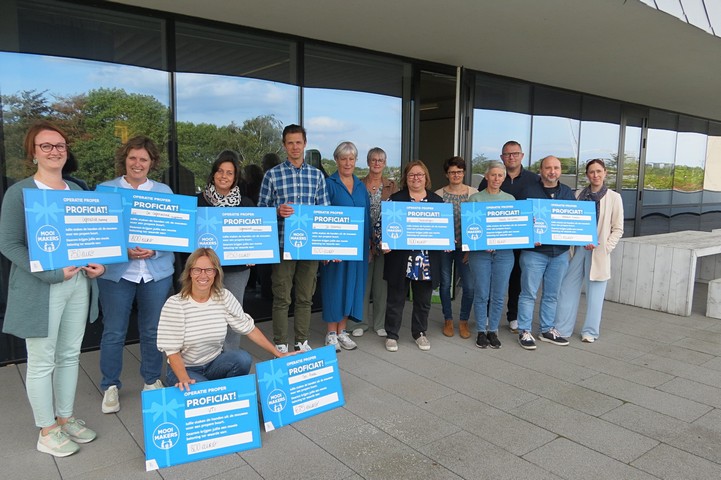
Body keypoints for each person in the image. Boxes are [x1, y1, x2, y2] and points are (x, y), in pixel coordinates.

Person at [0, 121, 104, 457]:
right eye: (46, 146)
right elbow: (9, 244)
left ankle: (66, 417)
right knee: (42, 360)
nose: (54, 151)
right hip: (42, 288)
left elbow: (93, 238)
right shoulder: (20, 193)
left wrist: (99, 264)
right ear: (33, 152)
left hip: (78, 285)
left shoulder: (77, 191)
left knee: (70, 355)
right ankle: (46, 429)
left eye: (59, 145)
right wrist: (50, 273)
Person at [97, 135, 175, 413]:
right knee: (114, 332)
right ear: (125, 159)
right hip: (117, 275)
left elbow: (174, 236)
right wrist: (123, 251)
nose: (137, 163)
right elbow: (98, 235)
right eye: (133, 158)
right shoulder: (106, 191)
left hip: (156, 274)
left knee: (154, 330)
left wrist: (154, 252)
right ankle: (110, 386)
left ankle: (151, 381)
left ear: (151, 162)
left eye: (143, 159)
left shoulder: (164, 192)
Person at [157, 248, 289, 390]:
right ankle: (213, 392)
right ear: (189, 272)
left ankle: (228, 395)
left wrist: (279, 353)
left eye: (209, 270)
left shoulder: (223, 297)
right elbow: (172, 351)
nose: (203, 275)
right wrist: (184, 378)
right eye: (197, 270)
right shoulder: (175, 304)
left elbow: (248, 328)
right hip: (184, 369)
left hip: (213, 364)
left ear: (216, 273)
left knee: (242, 359)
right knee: (205, 391)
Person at [258, 125, 330, 353]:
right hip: (282, 245)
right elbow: (261, 210)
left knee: (305, 296)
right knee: (281, 297)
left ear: (305, 144)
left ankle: (302, 341)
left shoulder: (316, 175)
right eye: (290, 143)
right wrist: (276, 211)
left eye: (298, 142)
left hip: (309, 247)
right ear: (284, 145)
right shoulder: (272, 175)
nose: (295, 147)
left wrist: (325, 247)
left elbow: (324, 213)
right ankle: (280, 342)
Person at [554, 159, 624, 342]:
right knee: (567, 288)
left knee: (595, 295)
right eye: (592, 172)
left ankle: (590, 332)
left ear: (605, 173)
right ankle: (562, 329)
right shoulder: (577, 195)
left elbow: (618, 229)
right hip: (578, 250)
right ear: (587, 175)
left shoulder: (614, 198)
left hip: (599, 252)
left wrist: (605, 247)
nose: (596, 175)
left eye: (599, 171)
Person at [197, 152, 255, 351]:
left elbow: (254, 238)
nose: (224, 176)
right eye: (220, 171)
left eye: (229, 173)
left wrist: (254, 254)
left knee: (233, 314)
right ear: (213, 174)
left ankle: (230, 356)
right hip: (205, 270)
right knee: (204, 312)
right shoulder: (198, 203)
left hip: (237, 270)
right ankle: (206, 357)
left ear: (235, 177)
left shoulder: (246, 204)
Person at [479, 141, 539, 333]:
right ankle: (488, 315)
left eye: (515, 154)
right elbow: (479, 209)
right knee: (491, 280)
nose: (511, 157)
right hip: (492, 241)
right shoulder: (489, 178)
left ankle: (513, 315)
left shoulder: (533, 179)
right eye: (507, 154)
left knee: (517, 278)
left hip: (519, 238)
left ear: (522, 156)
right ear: (502, 157)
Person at [516, 156, 575, 350]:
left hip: (559, 253)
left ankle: (547, 329)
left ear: (560, 170)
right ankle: (524, 330)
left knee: (552, 294)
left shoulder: (567, 192)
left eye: (556, 168)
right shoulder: (528, 192)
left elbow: (572, 221)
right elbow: (520, 222)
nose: (552, 171)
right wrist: (530, 235)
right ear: (540, 170)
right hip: (534, 252)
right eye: (548, 168)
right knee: (528, 293)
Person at [383, 160, 443, 352]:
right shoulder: (395, 199)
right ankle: (392, 335)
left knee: (423, 301)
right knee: (395, 299)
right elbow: (381, 225)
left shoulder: (437, 202)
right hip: (401, 259)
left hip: (426, 260)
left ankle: (419, 333)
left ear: (426, 178)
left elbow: (444, 229)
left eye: (420, 175)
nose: (416, 178)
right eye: (411, 175)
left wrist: (447, 242)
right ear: (405, 179)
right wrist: (383, 242)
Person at [320, 142, 370, 351]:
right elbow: (322, 217)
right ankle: (331, 333)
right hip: (335, 248)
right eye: (343, 158)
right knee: (334, 287)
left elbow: (366, 217)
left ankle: (343, 331)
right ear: (336, 160)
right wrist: (324, 249)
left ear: (356, 161)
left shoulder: (360, 186)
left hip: (357, 248)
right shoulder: (328, 184)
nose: (348, 162)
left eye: (351, 159)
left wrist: (368, 247)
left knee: (352, 287)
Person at [468, 161, 515, 349]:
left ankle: (493, 330)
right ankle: (481, 330)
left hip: (504, 254)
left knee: (498, 295)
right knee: (481, 293)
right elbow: (470, 228)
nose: (496, 179)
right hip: (480, 254)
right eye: (493, 175)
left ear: (504, 178)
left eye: (500, 175)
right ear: (486, 176)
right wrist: (481, 243)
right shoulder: (475, 199)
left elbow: (513, 228)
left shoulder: (511, 199)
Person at [354, 147, 398, 338]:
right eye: (373, 160)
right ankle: (360, 322)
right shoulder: (358, 184)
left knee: (381, 285)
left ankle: (379, 323)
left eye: (381, 160)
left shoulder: (392, 186)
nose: (377, 163)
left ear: (385, 162)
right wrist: (367, 242)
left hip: (385, 243)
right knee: (362, 284)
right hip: (362, 241)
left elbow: (397, 213)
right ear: (368, 162)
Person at [435, 156, 478, 339]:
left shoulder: (474, 193)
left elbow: (478, 221)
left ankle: (463, 321)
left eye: (459, 171)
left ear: (464, 172)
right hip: (444, 248)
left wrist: (471, 248)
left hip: (466, 248)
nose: (456, 175)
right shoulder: (438, 195)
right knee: (445, 284)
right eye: (452, 172)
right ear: (446, 174)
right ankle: (448, 319)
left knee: (469, 286)